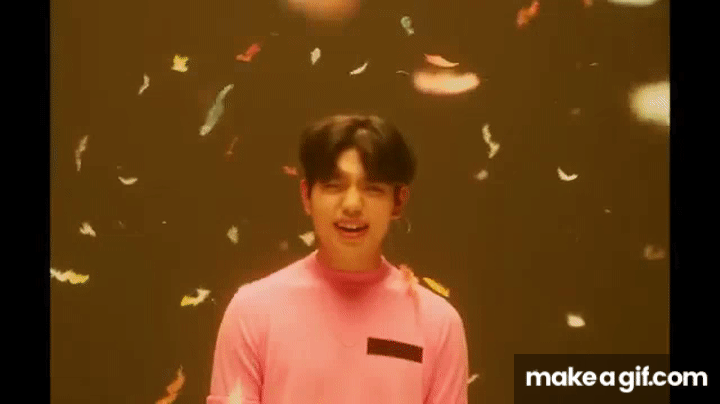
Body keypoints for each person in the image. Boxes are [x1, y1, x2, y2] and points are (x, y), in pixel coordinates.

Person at [207, 114, 469, 404]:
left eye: (372, 188)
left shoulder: (438, 324)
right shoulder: (252, 313)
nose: (352, 205)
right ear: (306, 196)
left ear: (398, 202)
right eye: (334, 185)